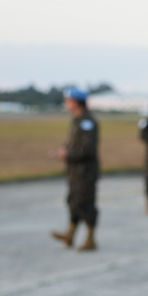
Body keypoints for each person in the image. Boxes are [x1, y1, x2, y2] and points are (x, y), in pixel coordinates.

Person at [51, 87, 100, 252]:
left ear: (76, 103)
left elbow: (87, 149)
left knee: (86, 203)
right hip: (75, 171)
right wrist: (63, 151)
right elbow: (74, 143)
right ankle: (70, 234)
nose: (66, 104)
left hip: (85, 171)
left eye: (68, 101)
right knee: (73, 201)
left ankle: (91, 239)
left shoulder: (88, 122)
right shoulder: (77, 120)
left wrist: (68, 154)